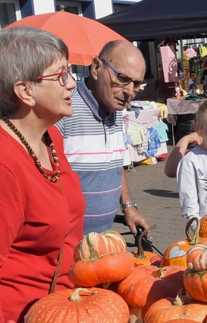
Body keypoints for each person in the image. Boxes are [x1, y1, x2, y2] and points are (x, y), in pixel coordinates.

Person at [0, 27, 85, 323]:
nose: (73, 83)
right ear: (25, 91)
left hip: (57, 311)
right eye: (61, 75)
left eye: (71, 71)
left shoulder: (49, 135)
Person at [56, 40, 150, 238]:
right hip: (65, 243)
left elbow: (116, 166)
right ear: (97, 68)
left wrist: (128, 206)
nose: (129, 92)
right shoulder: (64, 110)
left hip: (100, 241)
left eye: (137, 84)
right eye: (122, 79)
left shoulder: (114, 108)